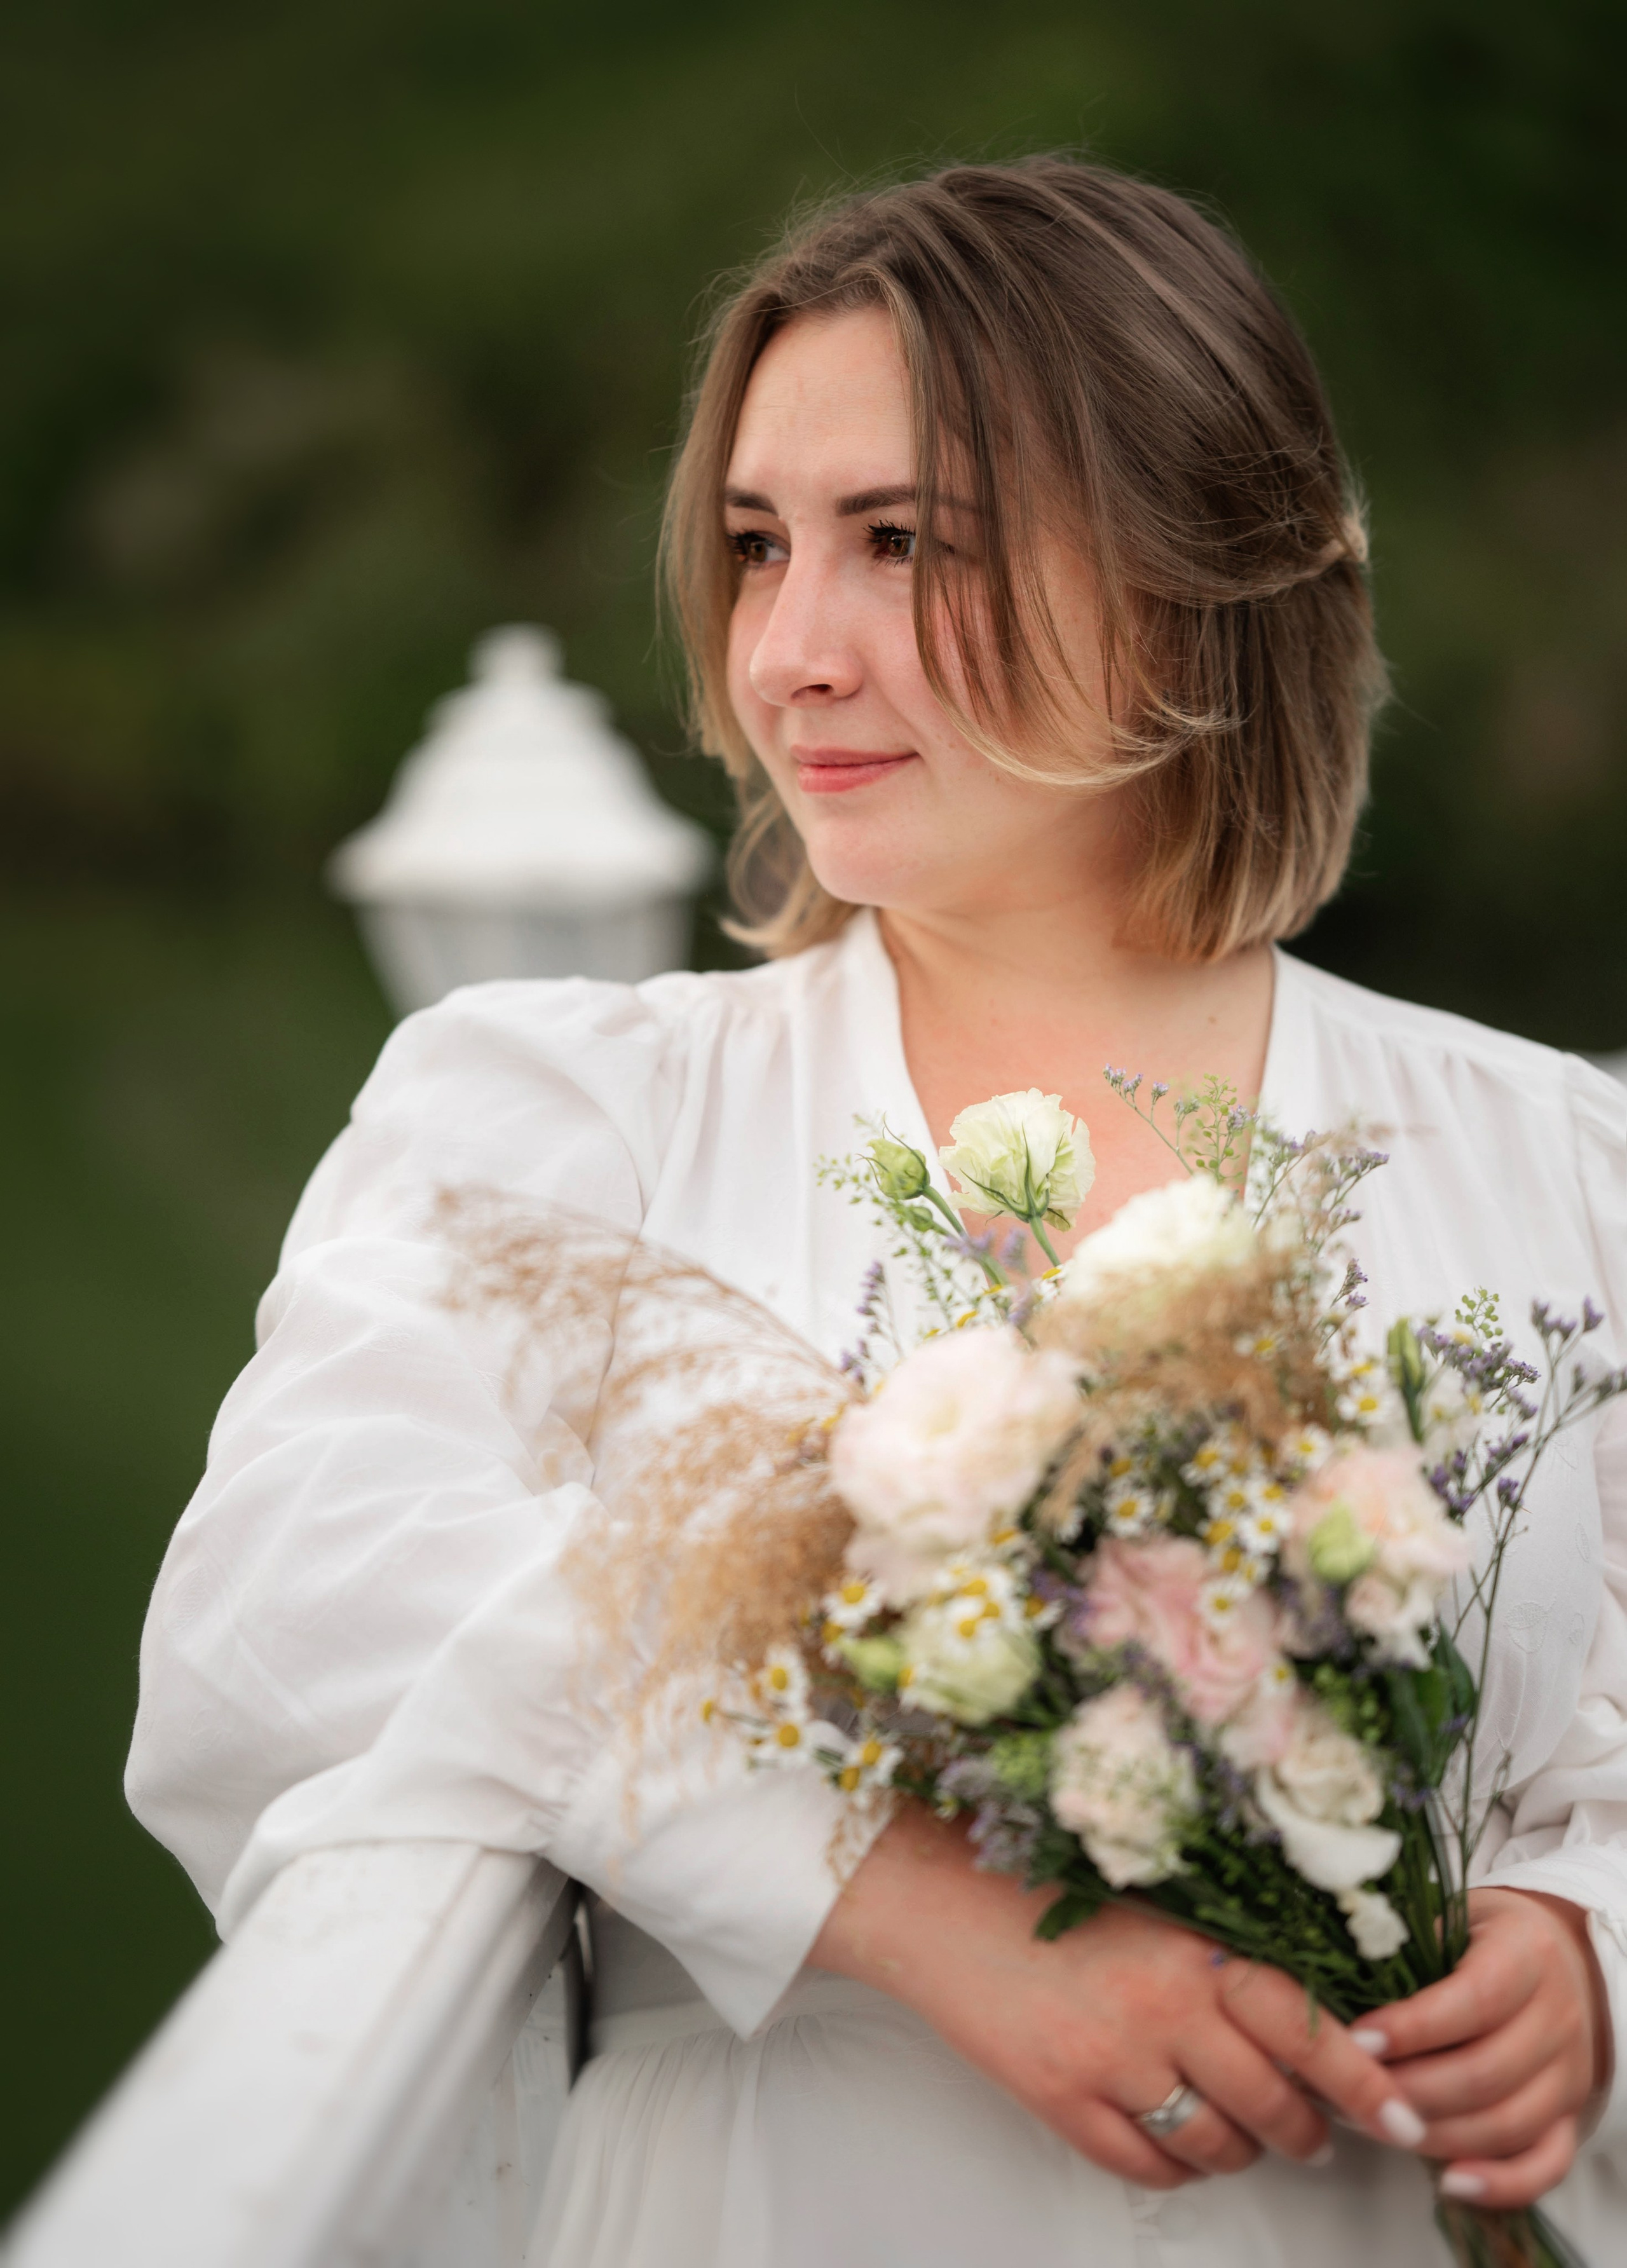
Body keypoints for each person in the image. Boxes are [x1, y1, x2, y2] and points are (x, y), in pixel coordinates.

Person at [128, 160, 1627, 2266]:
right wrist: (908, 1910)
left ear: (1201, 563)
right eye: (757, 549)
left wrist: (1581, 1950)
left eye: (902, 544)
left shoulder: (1555, 1157)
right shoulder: (572, 1117)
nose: (791, 655)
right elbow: (289, 1605)